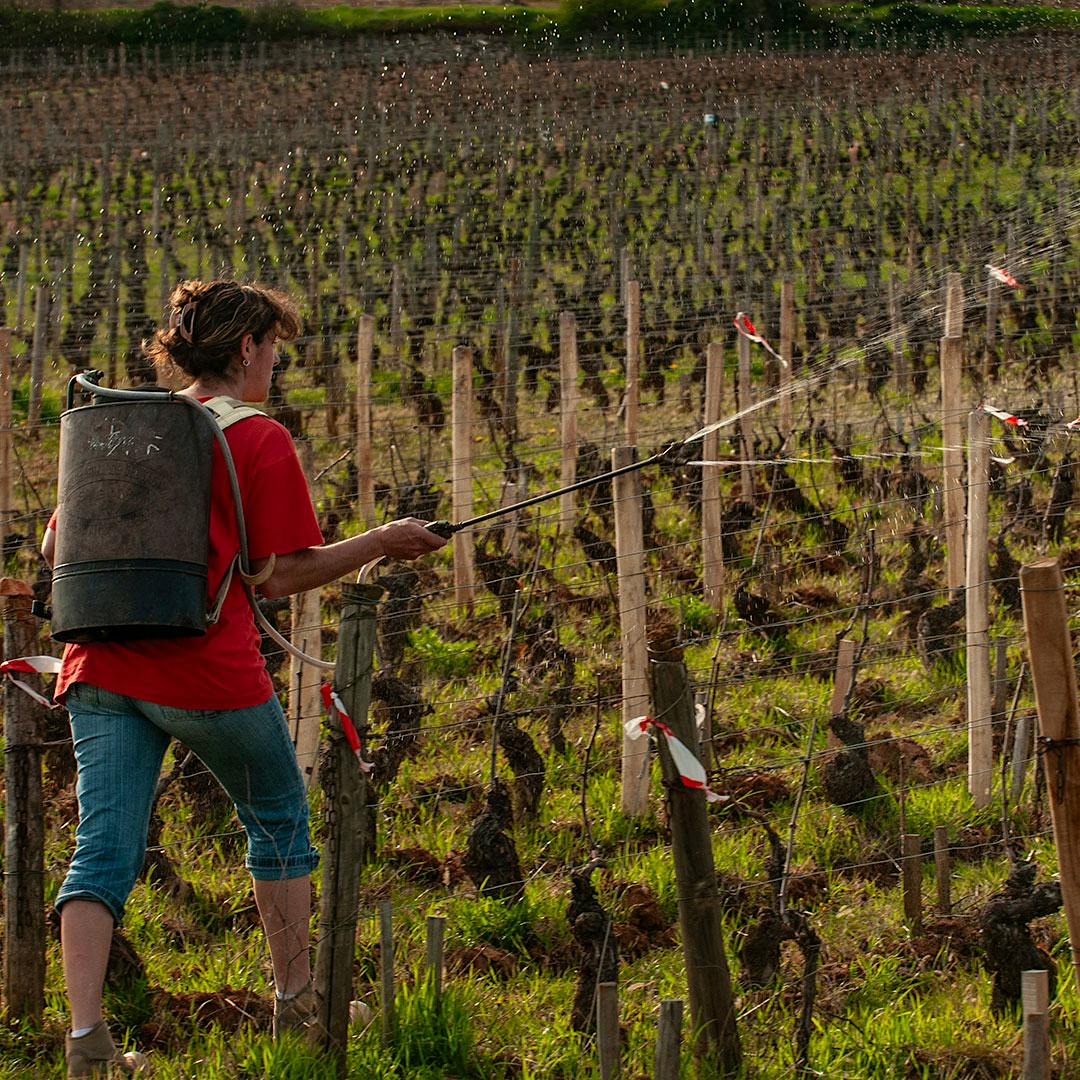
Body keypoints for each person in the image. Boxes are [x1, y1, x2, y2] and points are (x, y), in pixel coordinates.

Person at [42, 279, 447, 1077]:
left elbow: (59, 556)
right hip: (205, 676)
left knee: (101, 852)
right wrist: (382, 541)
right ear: (243, 349)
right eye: (272, 349)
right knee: (277, 820)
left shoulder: (114, 426)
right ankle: (296, 1002)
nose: (275, 365)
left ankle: (87, 1042)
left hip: (98, 669)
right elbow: (279, 576)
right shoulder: (257, 438)